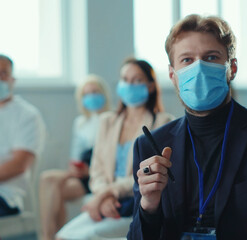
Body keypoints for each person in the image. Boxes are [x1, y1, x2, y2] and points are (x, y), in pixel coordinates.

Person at [128, 14, 247, 240]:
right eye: (187, 60)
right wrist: (149, 206)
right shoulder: (151, 145)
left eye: (211, 57)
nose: (199, 68)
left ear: (232, 68)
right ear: (173, 75)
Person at [56, 59, 174, 239]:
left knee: (84, 237)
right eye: (125, 79)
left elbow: (149, 173)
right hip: (106, 200)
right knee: (62, 236)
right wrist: (105, 197)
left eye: (137, 80)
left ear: (150, 86)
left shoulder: (163, 122)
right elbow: (97, 170)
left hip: (134, 202)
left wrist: (109, 193)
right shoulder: (107, 121)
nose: (129, 85)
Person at [39, 74, 111, 240]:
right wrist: (75, 169)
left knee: (51, 184)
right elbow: (75, 155)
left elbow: (113, 158)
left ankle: (47, 237)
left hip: (98, 176)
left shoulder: (111, 119)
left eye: (95, 92)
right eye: (86, 94)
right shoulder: (81, 123)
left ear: (103, 94)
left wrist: (90, 171)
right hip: (81, 174)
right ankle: (50, 235)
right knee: (48, 180)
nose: (91, 97)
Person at [0, 54, 45, 216]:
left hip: (6, 196)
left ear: (13, 79)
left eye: (3, 73)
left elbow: (20, 164)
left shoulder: (27, 115)